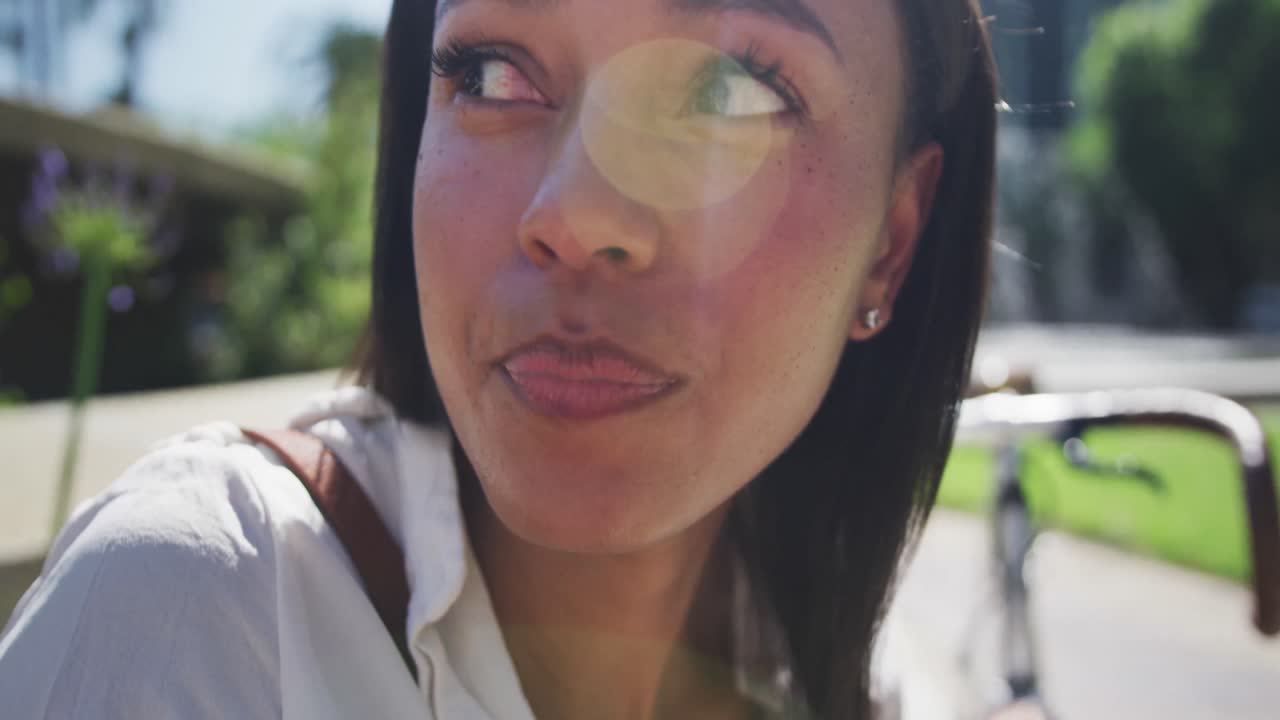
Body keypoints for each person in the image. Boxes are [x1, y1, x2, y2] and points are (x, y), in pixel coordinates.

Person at [0, 0, 996, 717]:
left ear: (890, 242)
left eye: (729, 91)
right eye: (489, 73)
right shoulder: (197, 613)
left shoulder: (842, 675)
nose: (573, 212)